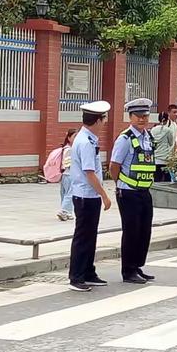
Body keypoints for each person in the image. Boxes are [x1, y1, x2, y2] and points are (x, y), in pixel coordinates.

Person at [110, 98, 157, 284]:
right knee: (131, 231)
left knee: (144, 231)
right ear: (130, 117)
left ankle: (137, 266)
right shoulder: (125, 139)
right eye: (138, 116)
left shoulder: (148, 137)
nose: (142, 119)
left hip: (144, 191)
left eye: (145, 116)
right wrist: (120, 184)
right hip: (128, 191)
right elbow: (114, 166)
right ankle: (128, 271)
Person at [68, 101, 112, 292]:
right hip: (86, 196)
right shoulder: (85, 141)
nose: (105, 122)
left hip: (89, 195)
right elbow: (89, 172)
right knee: (83, 237)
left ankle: (88, 272)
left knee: (90, 236)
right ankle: (77, 276)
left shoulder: (88, 138)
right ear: (98, 120)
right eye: (104, 118)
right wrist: (105, 195)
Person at [57, 129, 77, 221]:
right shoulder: (69, 150)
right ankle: (63, 211)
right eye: (74, 136)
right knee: (70, 194)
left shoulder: (65, 148)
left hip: (65, 175)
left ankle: (68, 212)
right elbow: (68, 164)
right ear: (68, 138)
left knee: (65, 194)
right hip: (69, 174)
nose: (76, 138)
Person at [151, 111, 175, 182]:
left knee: (156, 180)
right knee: (167, 181)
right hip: (165, 159)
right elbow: (171, 143)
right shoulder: (168, 131)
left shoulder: (153, 130)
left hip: (155, 159)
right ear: (167, 120)